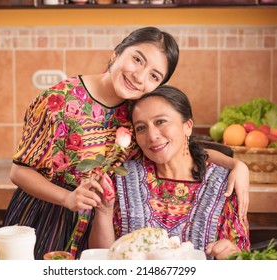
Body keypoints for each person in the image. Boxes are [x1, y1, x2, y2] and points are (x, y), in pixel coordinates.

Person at [3, 26, 249, 260]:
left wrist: (236, 165)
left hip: (99, 227)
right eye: (137, 59)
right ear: (117, 53)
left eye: (154, 76)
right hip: (49, 217)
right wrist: (66, 199)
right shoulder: (59, 100)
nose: (139, 76)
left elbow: (177, 147)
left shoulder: (137, 111)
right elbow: (19, 170)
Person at [88, 85, 250, 260]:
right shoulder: (122, 179)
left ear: (187, 126)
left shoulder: (225, 184)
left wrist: (232, 255)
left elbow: (243, 259)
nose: (152, 136)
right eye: (141, 127)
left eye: (160, 122)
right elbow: (102, 259)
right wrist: (103, 212)